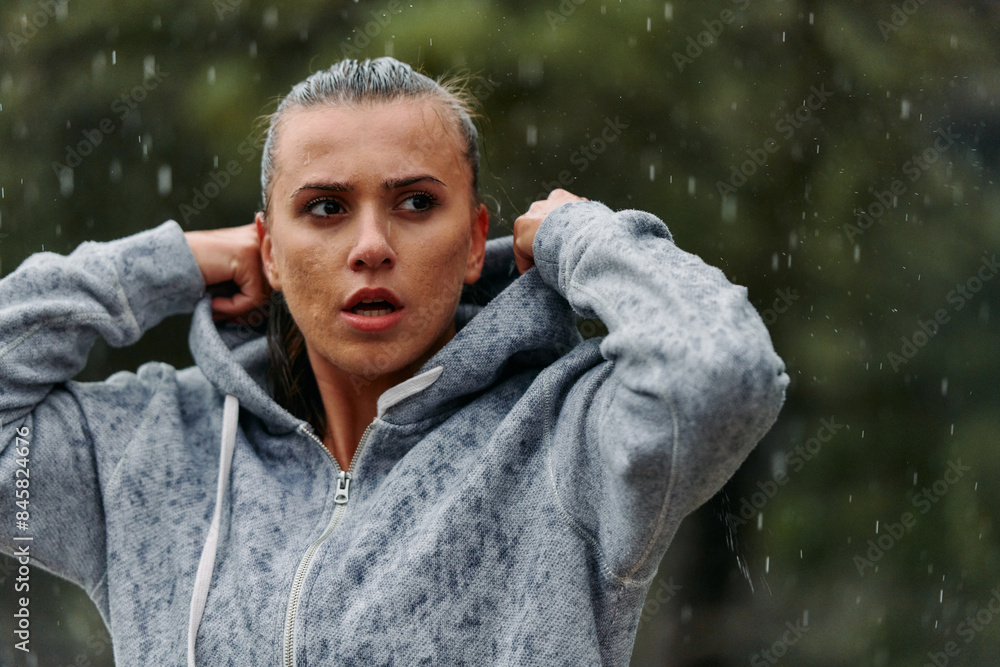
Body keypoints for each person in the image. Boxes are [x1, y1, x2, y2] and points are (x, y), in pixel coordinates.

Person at [0, 57, 788, 666]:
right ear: (269, 249)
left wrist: (583, 240)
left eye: (415, 203)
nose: (371, 246)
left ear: (477, 239)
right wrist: (161, 262)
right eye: (325, 208)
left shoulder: (564, 435)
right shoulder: (154, 449)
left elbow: (721, 376)